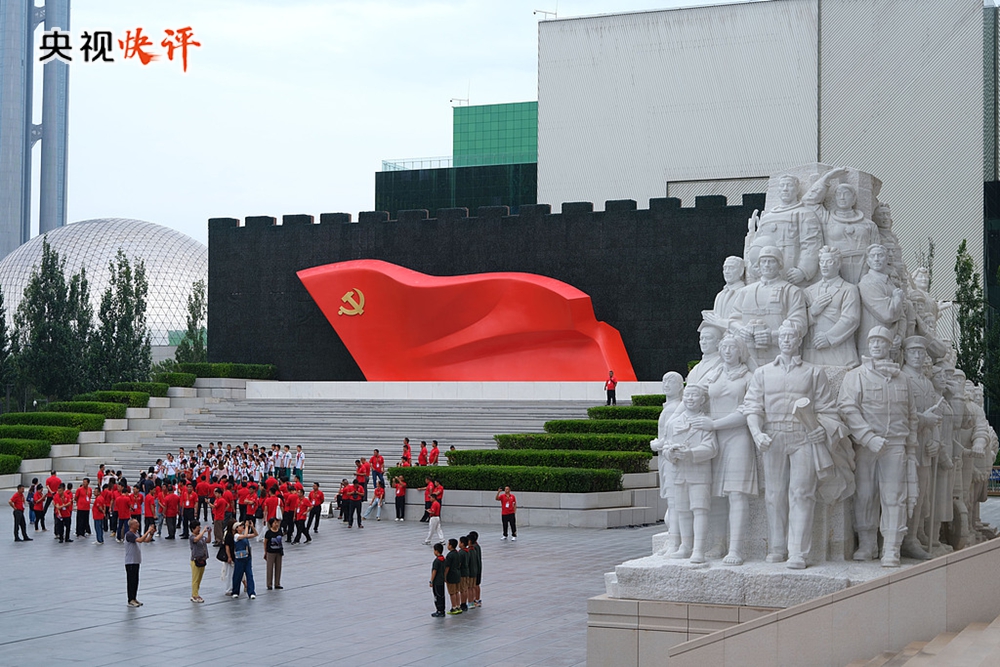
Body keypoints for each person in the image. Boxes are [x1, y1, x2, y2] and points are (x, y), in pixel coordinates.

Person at [743, 320, 839, 570]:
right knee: (774, 495)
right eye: (782, 336)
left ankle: (797, 551)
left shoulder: (813, 372)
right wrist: (756, 433)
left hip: (803, 437)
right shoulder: (762, 373)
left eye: (791, 337)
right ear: (778, 340)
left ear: (799, 341)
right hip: (772, 436)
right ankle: (777, 547)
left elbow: (829, 410)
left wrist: (821, 429)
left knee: (802, 493)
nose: (786, 340)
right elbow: (752, 407)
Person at [839, 326, 918, 568]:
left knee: (894, 497)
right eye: (872, 341)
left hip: (895, 444)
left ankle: (892, 547)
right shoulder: (856, 376)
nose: (876, 345)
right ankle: (867, 543)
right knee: (864, 495)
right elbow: (847, 408)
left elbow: (912, 415)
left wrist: (911, 448)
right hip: (867, 446)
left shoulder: (902, 378)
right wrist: (867, 436)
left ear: (889, 347)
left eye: (881, 342)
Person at [125, 519, 156, 607]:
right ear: (131, 525)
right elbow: (140, 540)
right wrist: (148, 531)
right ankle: (130, 599)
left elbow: (146, 540)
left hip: (136, 560)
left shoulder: (136, 533)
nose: (138, 524)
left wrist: (151, 534)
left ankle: (134, 598)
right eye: (136, 523)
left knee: (135, 581)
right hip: (130, 561)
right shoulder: (129, 534)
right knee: (131, 581)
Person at [229, 519, 258, 599]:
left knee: (249, 575)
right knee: (237, 575)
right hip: (239, 558)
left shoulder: (244, 535)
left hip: (247, 558)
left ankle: (251, 592)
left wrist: (252, 527)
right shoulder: (236, 536)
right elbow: (244, 536)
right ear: (236, 529)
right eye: (240, 526)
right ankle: (235, 591)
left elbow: (255, 534)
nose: (242, 527)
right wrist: (247, 526)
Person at [188, 520, 211, 602]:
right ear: (193, 529)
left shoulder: (200, 536)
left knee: (199, 578)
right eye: (198, 528)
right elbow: (196, 539)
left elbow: (208, 541)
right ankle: (194, 595)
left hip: (202, 559)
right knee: (195, 578)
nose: (199, 529)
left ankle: (196, 593)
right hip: (195, 560)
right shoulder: (192, 537)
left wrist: (209, 533)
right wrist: (204, 531)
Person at [263, 517, 284, 590]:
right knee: (270, 568)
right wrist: (265, 552)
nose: (276, 524)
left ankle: (277, 583)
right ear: (271, 524)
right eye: (275, 523)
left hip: (279, 552)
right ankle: (269, 584)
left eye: (277, 523)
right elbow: (265, 542)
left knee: (278, 567)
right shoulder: (268, 533)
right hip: (270, 552)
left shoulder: (279, 531)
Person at [444, 538, 463, 614]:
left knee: (452, 592)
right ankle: (458, 606)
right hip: (457, 574)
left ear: (451, 546)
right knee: (457, 591)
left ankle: (453, 607)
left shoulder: (449, 555)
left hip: (451, 575)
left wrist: (445, 576)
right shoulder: (458, 553)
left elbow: (447, 567)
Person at [429, 542, 447, 617]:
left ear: (436, 551)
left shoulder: (437, 561)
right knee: (442, 595)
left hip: (437, 581)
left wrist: (431, 581)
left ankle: (439, 610)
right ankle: (442, 609)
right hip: (442, 580)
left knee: (437, 596)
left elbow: (434, 571)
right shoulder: (443, 559)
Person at [468, 531, 482, 607]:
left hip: (475, 569)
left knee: (475, 585)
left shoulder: (474, 548)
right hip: (477, 568)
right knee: (476, 585)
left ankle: (476, 599)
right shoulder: (477, 546)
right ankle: (476, 599)